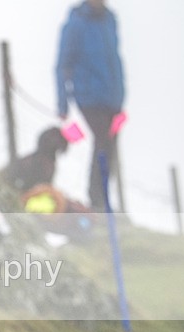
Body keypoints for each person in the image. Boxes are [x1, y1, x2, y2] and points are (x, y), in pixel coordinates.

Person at [56, 0, 125, 211]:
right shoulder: (75, 23)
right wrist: (62, 103)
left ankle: (102, 199)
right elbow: (62, 64)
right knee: (103, 142)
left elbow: (115, 59)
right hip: (88, 96)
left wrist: (121, 96)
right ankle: (97, 201)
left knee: (109, 146)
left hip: (112, 99)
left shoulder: (110, 20)